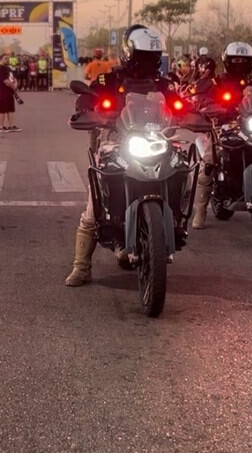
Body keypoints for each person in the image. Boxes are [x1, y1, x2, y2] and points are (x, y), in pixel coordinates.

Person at [65, 24, 176, 287]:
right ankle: (81, 266)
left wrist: (191, 112)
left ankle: (174, 223)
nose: (147, 62)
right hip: (116, 141)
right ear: (129, 53)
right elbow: (88, 98)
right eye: (142, 56)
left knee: (181, 166)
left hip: (155, 140)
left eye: (152, 56)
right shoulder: (110, 79)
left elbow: (179, 103)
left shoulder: (163, 83)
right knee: (94, 204)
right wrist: (87, 109)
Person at [191, 41, 252, 230]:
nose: (239, 63)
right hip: (224, 125)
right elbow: (202, 95)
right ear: (228, 61)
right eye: (236, 59)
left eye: (243, 59)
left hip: (250, 126)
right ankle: (200, 212)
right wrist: (210, 106)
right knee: (209, 160)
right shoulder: (217, 81)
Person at [0, 54, 21, 133]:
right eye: (5, 58)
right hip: (1, 92)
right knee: (2, 110)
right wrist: (14, 86)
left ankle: (11, 126)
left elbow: (13, 77)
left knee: (11, 110)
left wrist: (15, 84)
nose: (7, 60)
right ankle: (1, 127)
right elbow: (6, 81)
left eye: (8, 58)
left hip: (9, 93)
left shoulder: (9, 68)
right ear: (1, 60)